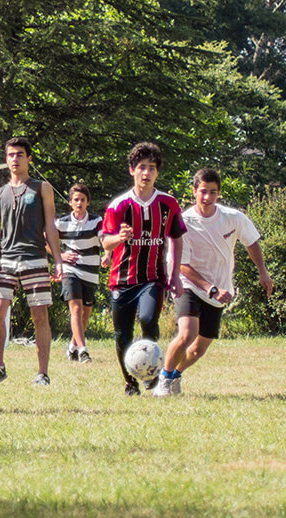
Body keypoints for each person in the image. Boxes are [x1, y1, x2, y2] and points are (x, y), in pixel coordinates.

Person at [153, 168, 274, 397]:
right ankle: (164, 378)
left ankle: (176, 375)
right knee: (187, 333)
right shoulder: (184, 222)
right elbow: (181, 265)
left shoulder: (233, 218)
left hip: (220, 289)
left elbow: (252, 243)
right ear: (194, 192)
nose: (207, 197)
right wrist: (210, 288)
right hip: (189, 285)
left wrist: (263, 272)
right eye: (203, 192)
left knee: (199, 349)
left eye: (213, 192)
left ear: (219, 193)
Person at [101, 142, 186, 396]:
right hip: (122, 279)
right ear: (132, 170)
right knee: (122, 334)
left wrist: (175, 275)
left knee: (149, 320)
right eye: (141, 168)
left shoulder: (168, 204)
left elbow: (177, 238)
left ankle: (150, 372)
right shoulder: (119, 205)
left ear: (157, 173)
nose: (146, 173)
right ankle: (130, 381)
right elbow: (106, 241)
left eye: (151, 168)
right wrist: (120, 238)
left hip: (152, 278)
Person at [0, 137, 65, 386]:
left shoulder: (42, 188)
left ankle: (42, 373)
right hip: (6, 259)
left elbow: (50, 225)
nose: (14, 159)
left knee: (39, 314)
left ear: (29, 158)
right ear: (5, 159)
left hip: (35, 258)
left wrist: (58, 260)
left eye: (19, 154)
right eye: (10, 155)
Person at [55, 183, 102, 364]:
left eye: (83, 200)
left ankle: (72, 347)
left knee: (85, 313)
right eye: (76, 200)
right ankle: (83, 350)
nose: (79, 203)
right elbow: (44, 241)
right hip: (70, 270)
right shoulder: (62, 223)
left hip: (90, 271)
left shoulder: (96, 221)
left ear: (88, 202)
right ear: (70, 202)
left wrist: (108, 255)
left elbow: (104, 237)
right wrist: (60, 255)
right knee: (75, 309)